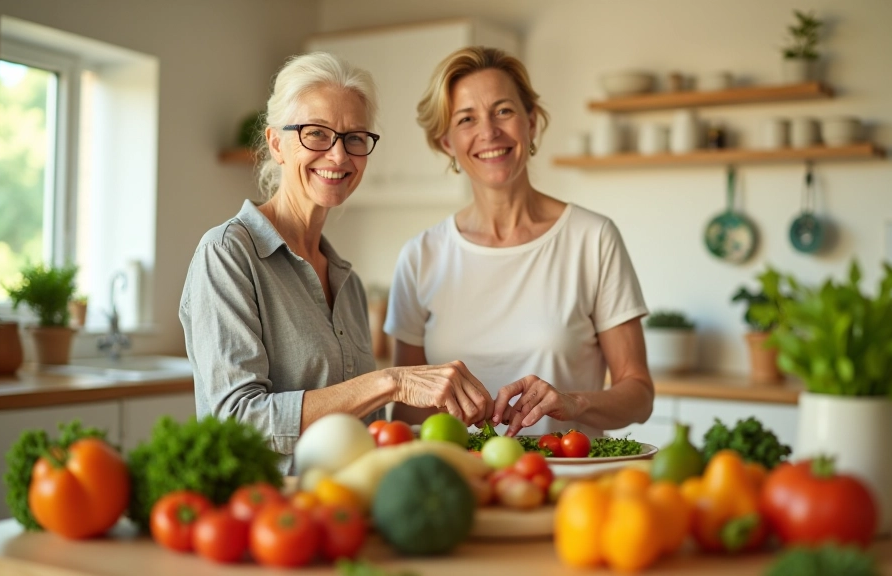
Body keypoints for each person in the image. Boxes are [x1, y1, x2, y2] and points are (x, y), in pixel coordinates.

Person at [180, 52, 494, 475]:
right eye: (317, 134)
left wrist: (445, 419)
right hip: (267, 518)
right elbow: (236, 420)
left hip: (341, 510)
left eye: (354, 138)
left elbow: (358, 429)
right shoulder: (228, 254)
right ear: (276, 143)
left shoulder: (347, 280)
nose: (339, 156)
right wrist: (391, 381)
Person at [384, 46, 655, 439]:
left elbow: (639, 394)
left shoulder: (592, 239)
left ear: (531, 121)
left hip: (570, 483)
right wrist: (446, 412)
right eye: (466, 119)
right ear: (447, 143)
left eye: (503, 111)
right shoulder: (420, 256)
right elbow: (405, 410)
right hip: (460, 480)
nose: (489, 132)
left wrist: (575, 402)